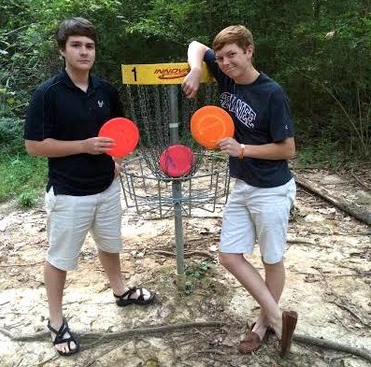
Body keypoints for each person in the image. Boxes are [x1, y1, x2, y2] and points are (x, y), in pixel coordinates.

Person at [24, 17, 155, 357]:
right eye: (76, 45)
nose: (84, 51)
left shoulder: (105, 91)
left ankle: (121, 291)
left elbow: (118, 133)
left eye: (89, 46)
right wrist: (84, 146)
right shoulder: (48, 94)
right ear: (63, 50)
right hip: (69, 193)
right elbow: (35, 146)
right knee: (60, 259)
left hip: (107, 189)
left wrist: (113, 159)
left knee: (110, 246)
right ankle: (55, 321)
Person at [182, 25, 297, 357]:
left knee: (271, 259)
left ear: (249, 51)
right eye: (220, 58)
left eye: (232, 54)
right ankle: (279, 318)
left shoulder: (272, 93)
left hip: (272, 189)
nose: (225, 62)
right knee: (229, 255)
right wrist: (195, 69)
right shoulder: (226, 75)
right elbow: (194, 44)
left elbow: (287, 149)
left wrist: (243, 149)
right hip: (243, 184)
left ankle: (263, 324)